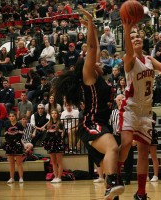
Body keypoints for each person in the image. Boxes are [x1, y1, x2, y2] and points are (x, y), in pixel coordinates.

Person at [53, 6, 124, 200]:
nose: (98, 60)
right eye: (94, 61)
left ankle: (112, 189)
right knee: (112, 149)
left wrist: (92, 26)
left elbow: (96, 49)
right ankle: (110, 185)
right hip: (92, 123)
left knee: (115, 160)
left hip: (103, 123)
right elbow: (93, 48)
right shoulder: (89, 77)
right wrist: (91, 24)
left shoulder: (100, 79)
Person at [117, 14, 161, 200]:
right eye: (133, 38)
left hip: (146, 112)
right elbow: (128, 50)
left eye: (138, 36)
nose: (137, 38)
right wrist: (126, 29)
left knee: (143, 152)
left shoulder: (148, 59)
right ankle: (113, 180)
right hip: (130, 108)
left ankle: (141, 193)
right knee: (125, 144)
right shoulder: (129, 59)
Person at [43, 109, 64, 183]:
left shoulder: (60, 123)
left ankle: (59, 177)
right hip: (51, 144)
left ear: (57, 114)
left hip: (58, 143)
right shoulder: (49, 124)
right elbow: (47, 135)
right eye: (52, 113)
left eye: (55, 113)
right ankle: (55, 177)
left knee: (59, 161)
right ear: (51, 115)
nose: (54, 114)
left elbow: (61, 135)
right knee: (53, 162)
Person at [3, 111, 24, 183]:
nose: (11, 117)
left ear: (16, 117)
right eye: (10, 116)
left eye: (13, 116)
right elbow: (6, 135)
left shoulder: (19, 125)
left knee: (19, 163)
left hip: (17, 144)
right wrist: (9, 141)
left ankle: (21, 178)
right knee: (11, 163)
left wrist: (15, 140)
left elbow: (20, 135)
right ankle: (11, 178)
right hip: (9, 145)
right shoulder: (7, 125)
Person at [148, 111, 159, 182]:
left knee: (153, 156)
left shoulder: (153, 113)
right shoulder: (140, 112)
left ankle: (155, 175)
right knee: (144, 157)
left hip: (152, 134)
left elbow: (152, 124)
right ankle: (146, 175)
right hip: (143, 133)